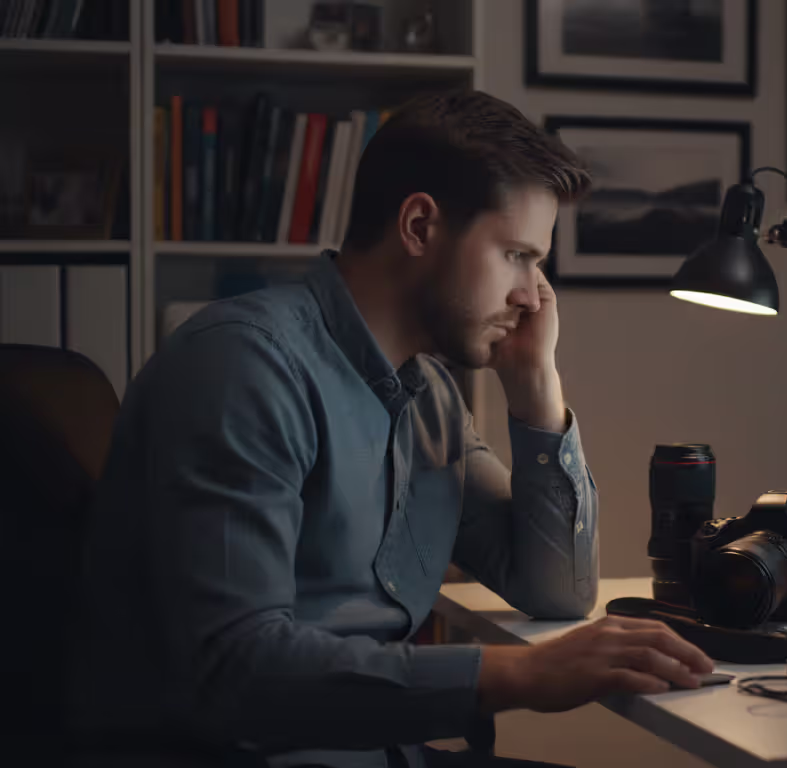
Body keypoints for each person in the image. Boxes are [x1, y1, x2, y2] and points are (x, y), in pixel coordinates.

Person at [67, 90, 714, 768]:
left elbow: (557, 592)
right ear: (418, 227)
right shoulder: (243, 367)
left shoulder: (428, 397)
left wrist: (537, 396)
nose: (532, 295)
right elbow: (237, 670)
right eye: (517, 255)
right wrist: (518, 676)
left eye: (538, 263)